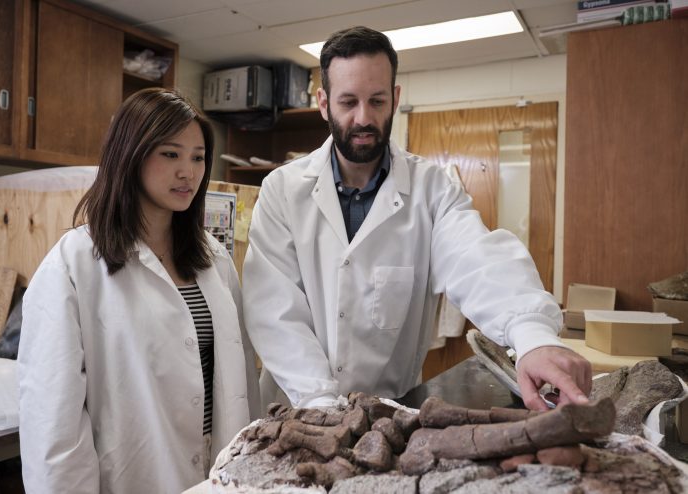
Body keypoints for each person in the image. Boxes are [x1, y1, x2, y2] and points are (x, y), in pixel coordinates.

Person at [242, 26, 591, 413]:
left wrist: (532, 335)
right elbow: (275, 310)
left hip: (389, 412)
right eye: (348, 102)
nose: (363, 118)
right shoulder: (283, 190)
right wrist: (320, 402)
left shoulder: (432, 189)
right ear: (324, 103)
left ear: (395, 98)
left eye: (376, 101)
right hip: (298, 407)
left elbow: (475, 257)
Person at [18, 88, 260, 493]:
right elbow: (52, 420)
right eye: (170, 154)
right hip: (135, 474)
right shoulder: (75, 264)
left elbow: (241, 384)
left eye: (198, 157)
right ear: (130, 154)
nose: (188, 171)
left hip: (220, 473)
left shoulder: (213, 258)